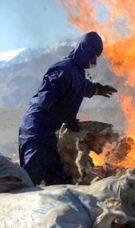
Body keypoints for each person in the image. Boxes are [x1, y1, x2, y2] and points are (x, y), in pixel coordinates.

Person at [18, 32, 118, 186]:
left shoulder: (77, 72)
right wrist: (66, 116)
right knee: (29, 181)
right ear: (86, 52)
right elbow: (45, 96)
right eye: (94, 56)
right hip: (38, 132)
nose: (95, 61)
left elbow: (83, 87)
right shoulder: (64, 69)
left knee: (61, 181)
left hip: (55, 136)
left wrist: (100, 89)